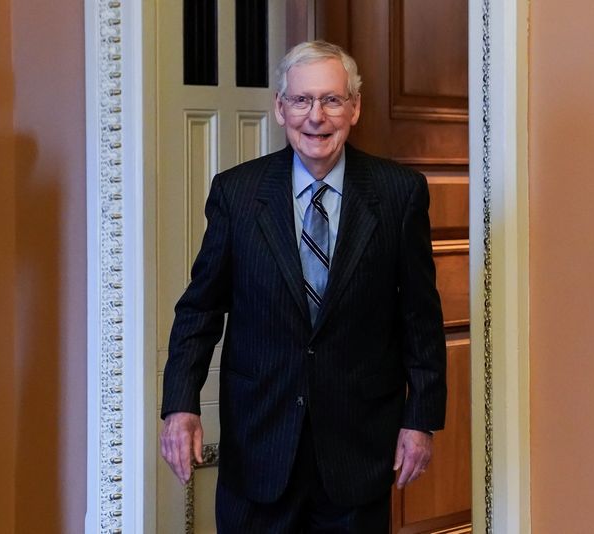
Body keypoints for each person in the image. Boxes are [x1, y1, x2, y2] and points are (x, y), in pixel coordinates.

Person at [160, 40, 447, 533]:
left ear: (354, 108)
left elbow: (420, 318)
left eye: (332, 100)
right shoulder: (238, 193)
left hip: (358, 454)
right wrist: (180, 404)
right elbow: (200, 309)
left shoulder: (399, 194)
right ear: (280, 108)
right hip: (259, 447)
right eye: (302, 100)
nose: (317, 116)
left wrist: (419, 419)